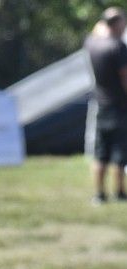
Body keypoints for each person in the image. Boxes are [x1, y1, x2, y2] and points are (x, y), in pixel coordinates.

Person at [85, 7, 127, 205]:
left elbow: (97, 29)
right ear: (117, 23)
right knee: (120, 151)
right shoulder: (117, 47)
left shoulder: (92, 43)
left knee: (100, 152)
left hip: (101, 105)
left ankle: (99, 194)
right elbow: (125, 78)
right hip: (119, 105)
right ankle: (119, 192)